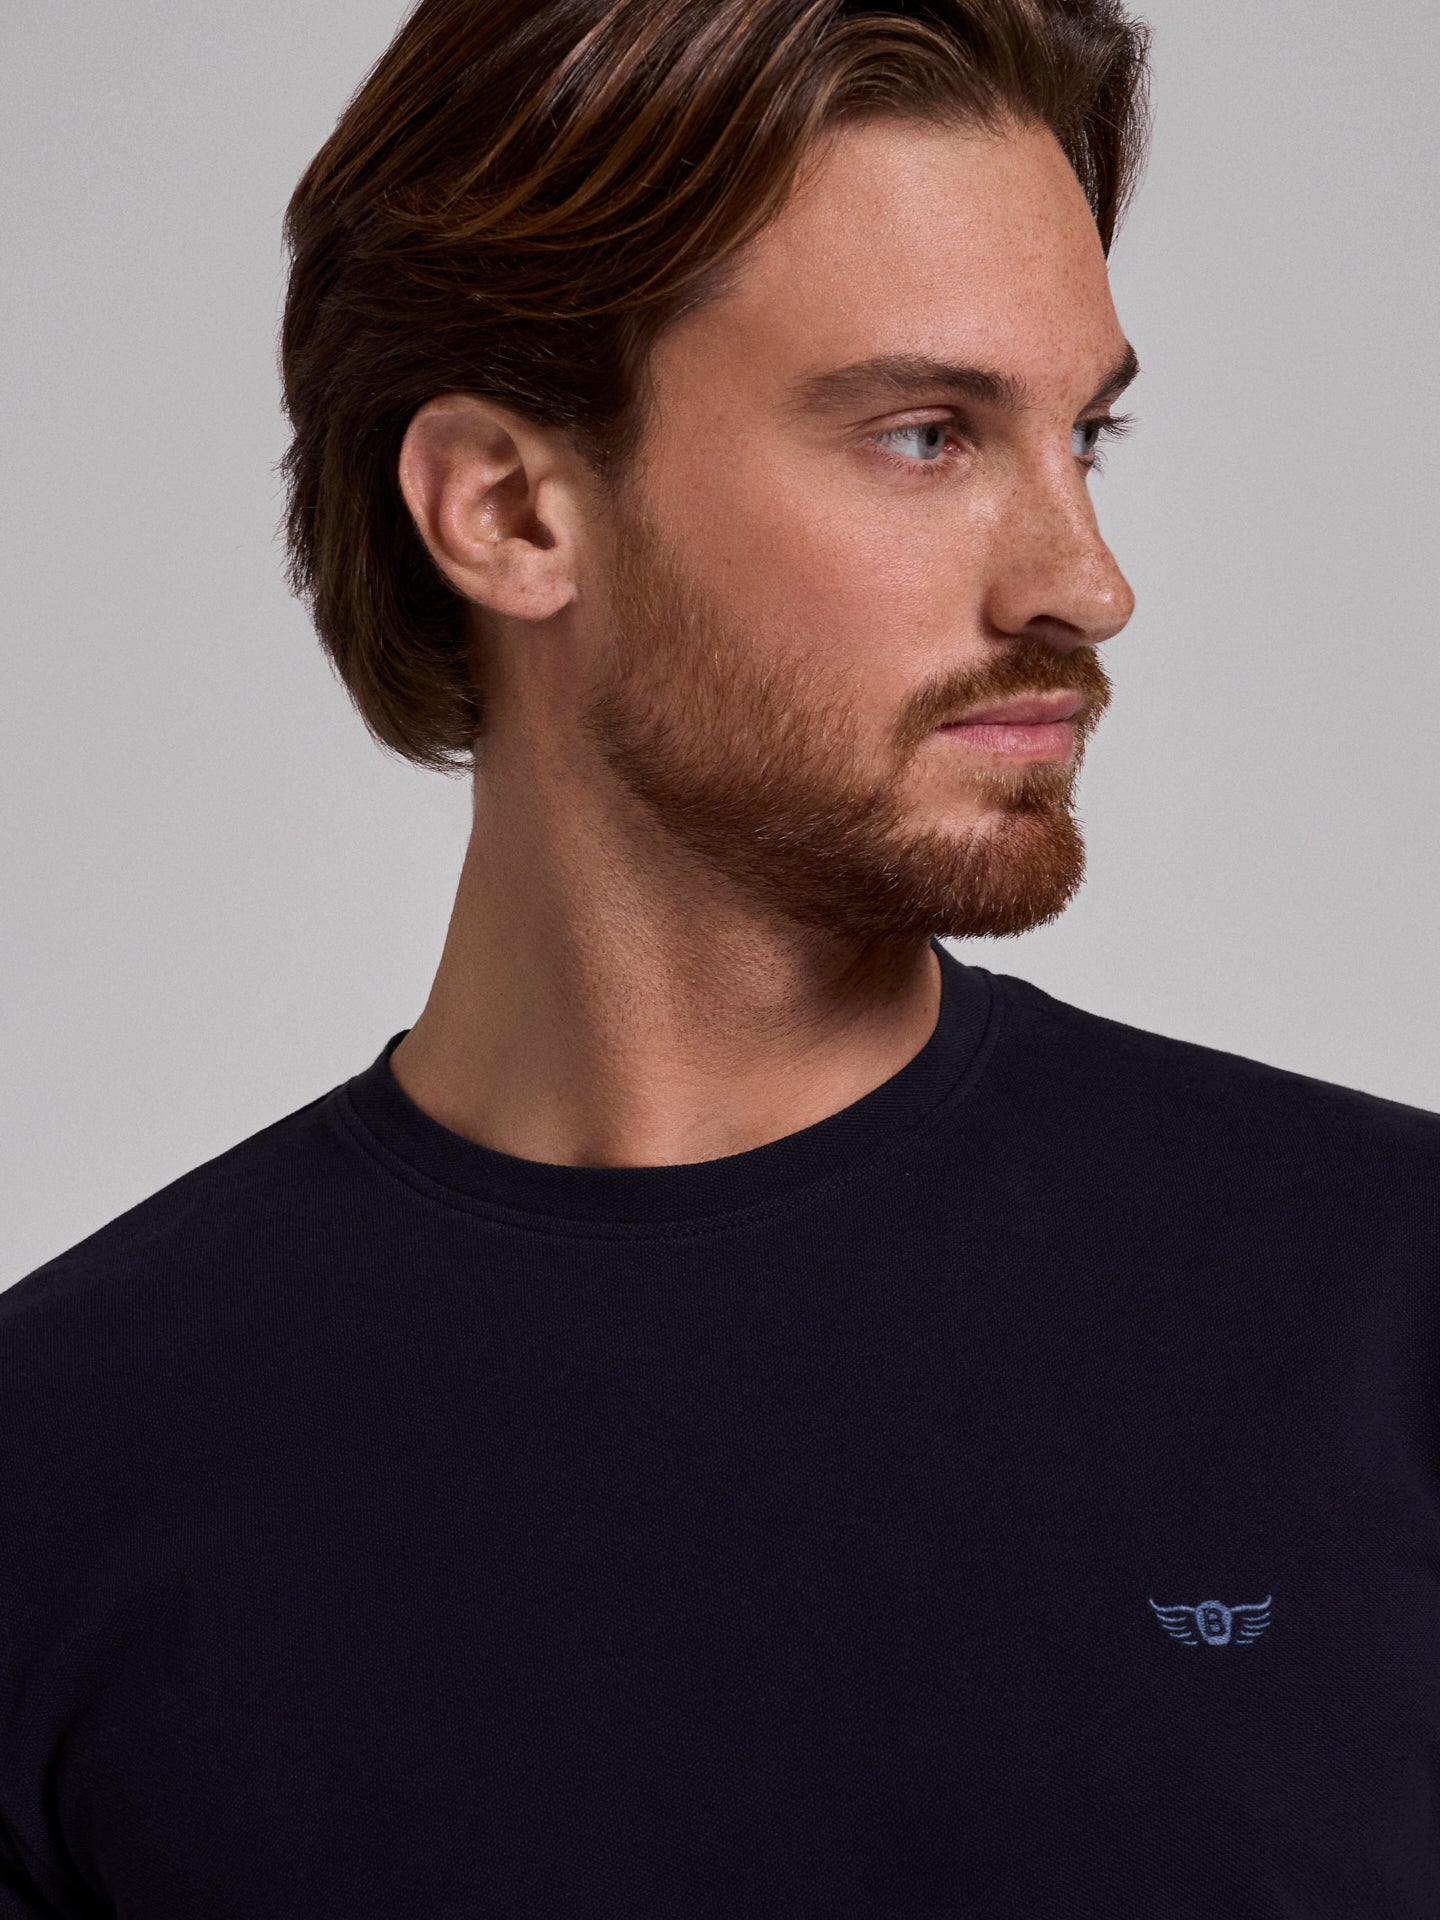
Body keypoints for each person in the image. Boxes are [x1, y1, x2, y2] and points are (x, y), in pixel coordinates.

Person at [3, 0, 1437, 1913]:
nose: (1087, 581)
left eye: (1085, 432)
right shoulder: (61, 1471)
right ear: (510, 506)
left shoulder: (1391, 1306)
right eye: (926, 435)